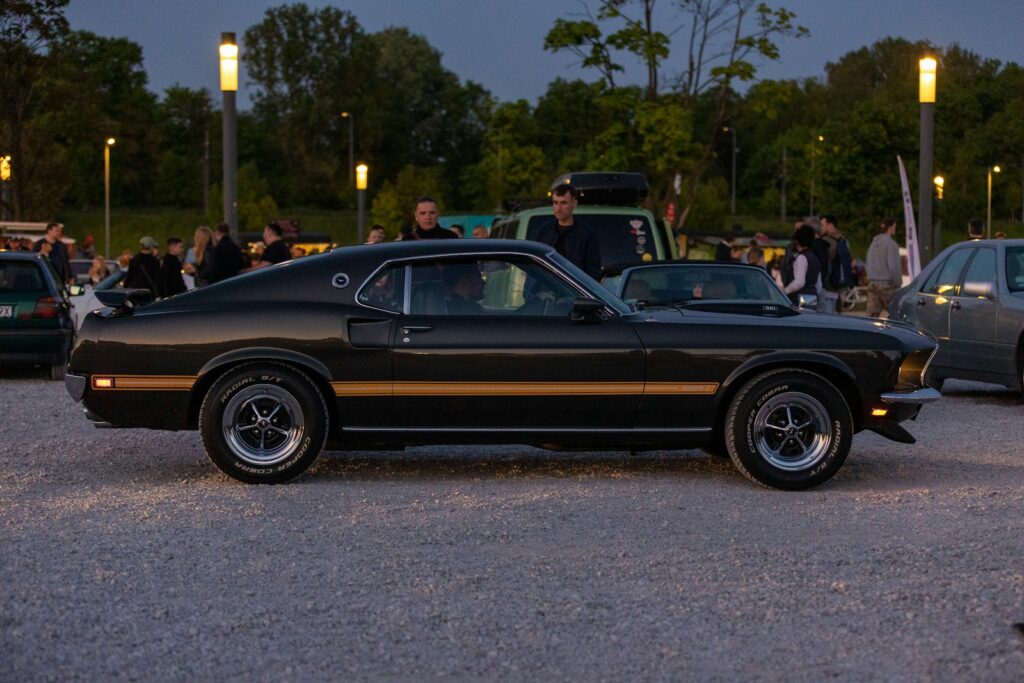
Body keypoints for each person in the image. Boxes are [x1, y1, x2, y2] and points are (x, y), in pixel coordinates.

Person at [534, 183, 602, 279]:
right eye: (555, 202)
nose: (558, 208)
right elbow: (535, 263)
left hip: (573, 291)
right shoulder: (544, 230)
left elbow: (593, 272)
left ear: (574, 203)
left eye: (563, 203)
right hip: (544, 290)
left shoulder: (586, 234)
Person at [865, 218, 902, 318]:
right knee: (896, 314)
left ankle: (869, 333)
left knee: (872, 317)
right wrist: (898, 283)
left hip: (872, 283)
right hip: (887, 285)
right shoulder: (891, 244)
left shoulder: (872, 244)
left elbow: (867, 264)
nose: (895, 229)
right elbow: (894, 267)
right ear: (890, 228)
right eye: (894, 227)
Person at [783, 225, 822, 306]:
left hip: (800, 296)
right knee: (808, 318)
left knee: (800, 317)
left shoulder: (801, 257)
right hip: (812, 297)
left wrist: (785, 291)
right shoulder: (815, 258)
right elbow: (819, 285)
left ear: (797, 241)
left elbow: (800, 282)